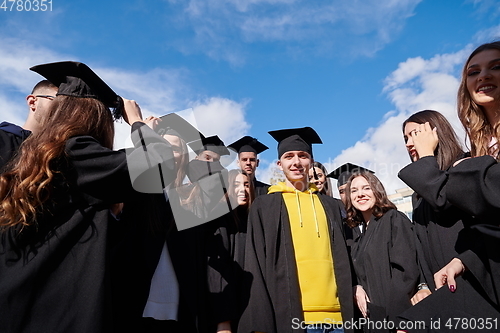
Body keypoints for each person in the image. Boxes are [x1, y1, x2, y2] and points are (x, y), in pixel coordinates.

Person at [0, 61, 177, 333]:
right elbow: (160, 165)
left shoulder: (27, 155)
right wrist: (138, 123)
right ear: (94, 118)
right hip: (58, 313)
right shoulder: (76, 154)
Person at [239, 126, 354, 333]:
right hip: (289, 317)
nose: (296, 162)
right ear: (279, 164)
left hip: (337, 317)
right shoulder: (265, 206)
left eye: (302, 156)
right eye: (289, 156)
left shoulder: (332, 206)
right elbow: (254, 263)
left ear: (310, 161)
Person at [432, 41, 500, 307]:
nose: (483, 75)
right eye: (473, 72)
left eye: (496, 66)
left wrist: (468, 170)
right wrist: (463, 261)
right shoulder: (482, 145)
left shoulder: (472, 161)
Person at [397, 110, 468, 304]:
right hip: (440, 292)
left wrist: (427, 154)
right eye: (406, 138)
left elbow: (442, 201)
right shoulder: (418, 197)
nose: (408, 143)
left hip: (471, 282)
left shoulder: (464, 168)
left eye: (415, 134)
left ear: (436, 133)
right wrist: (423, 286)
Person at [345, 171, 419, 332]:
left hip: (395, 318)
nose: (360, 194)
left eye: (366, 188)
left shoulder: (394, 219)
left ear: (377, 191)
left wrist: (401, 322)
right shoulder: (361, 236)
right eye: (354, 191)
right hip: (374, 320)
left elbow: (406, 273)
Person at [206, 169, 255, 333]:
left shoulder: (253, 221)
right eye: (236, 185)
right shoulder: (220, 220)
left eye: (247, 185)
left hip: (250, 303)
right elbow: (217, 273)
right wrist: (223, 320)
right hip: (227, 307)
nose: (243, 189)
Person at [0, 79, 58, 170]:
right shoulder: (3, 139)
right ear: (32, 102)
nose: (64, 109)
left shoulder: (61, 157)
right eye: (57, 101)